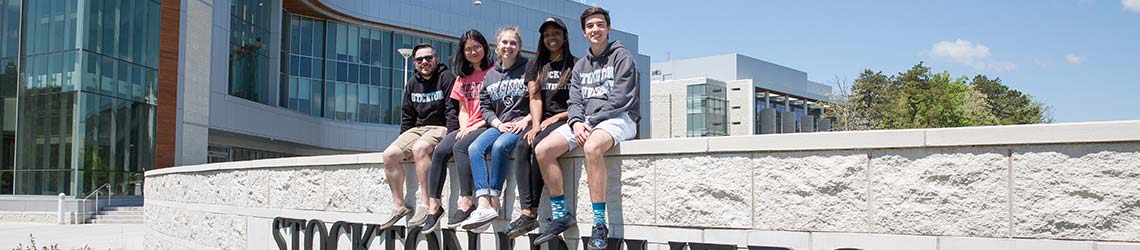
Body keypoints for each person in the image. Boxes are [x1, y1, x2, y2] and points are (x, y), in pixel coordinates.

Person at [532, 7, 641, 250]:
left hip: (619, 118)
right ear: (583, 32)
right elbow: (574, 102)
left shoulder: (623, 58)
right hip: (587, 121)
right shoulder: (580, 66)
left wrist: (589, 122)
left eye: (600, 25)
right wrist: (577, 121)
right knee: (543, 149)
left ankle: (599, 224)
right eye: (590, 26)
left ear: (608, 28)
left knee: (592, 147)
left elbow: (621, 99)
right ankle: (561, 214)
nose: (595, 29)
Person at [504, 17, 576, 239]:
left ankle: (531, 212)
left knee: (537, 145)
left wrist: (556, 118)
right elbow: (535, 98)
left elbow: (579, 101)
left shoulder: (575, 64)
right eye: (547, 35)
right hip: (542, 119)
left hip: (565, 119)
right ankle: (527, 212)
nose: (551, 38)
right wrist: (535, 124)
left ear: (564, 37)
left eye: (556, 33)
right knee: (523, 144)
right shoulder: (535, 65)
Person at [458, 26, 533, 232]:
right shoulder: (490, 76)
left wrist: (526, 120)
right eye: (504, 42)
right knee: (474, 148)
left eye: (513, 43)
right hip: (500, 125)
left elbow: (538, 100)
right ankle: (483, 202)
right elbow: (486, 107)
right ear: (497, 45)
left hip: (521, 124)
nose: (508, 46)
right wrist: (497, 123)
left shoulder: (529, 68)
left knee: (500, 147)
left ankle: (495, 197)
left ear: (519, 47)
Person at [422, 29, 494, 233]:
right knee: (439, 151)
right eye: (468, 49)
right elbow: (462, 108)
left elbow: (495, 110)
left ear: (485, 48)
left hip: (486, 125)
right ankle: (434, 208)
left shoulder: (493, 72)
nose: (473, 52)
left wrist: (472, 128)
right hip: (468, 126)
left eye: (477, 47)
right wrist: (464, 127)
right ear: (463, 52)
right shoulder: (462, 77)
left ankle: (466, 201)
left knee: (461, 146)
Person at [378, 43, 457, 229]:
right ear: (414, 63)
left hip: (441, 127)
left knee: (420, 148)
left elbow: (452, 110)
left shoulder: (446, 77)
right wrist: (402, 142)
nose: (424, 62)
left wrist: (450, 139)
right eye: (420, 59)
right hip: (418, 129)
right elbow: (407, 115)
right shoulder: (412, 83)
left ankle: (427, 203)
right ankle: (398, 206)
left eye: (428, 58)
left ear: (436, 60)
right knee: (389, 154)